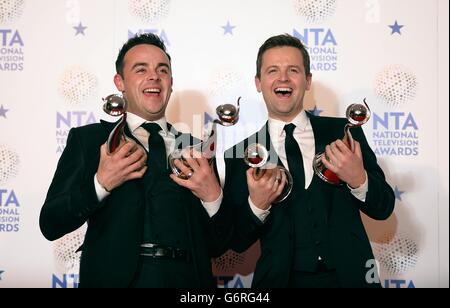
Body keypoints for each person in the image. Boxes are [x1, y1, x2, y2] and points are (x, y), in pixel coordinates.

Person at [39, 33, 226, 288]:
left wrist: (213, 197)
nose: (154, 76)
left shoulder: (195, 147)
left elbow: (217, 245)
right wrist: (100, 184)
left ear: (170, 83)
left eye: (163, 70)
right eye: (141, 69)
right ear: (120, 82)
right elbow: (50, 223)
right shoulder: (90, 140)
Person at [221, 34, 395, 288]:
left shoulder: (345, 133)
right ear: (258, 83)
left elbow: (384, 208)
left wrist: (359, 179)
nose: (283, 78)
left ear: (308, 80)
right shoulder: (240, 154)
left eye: (293, 70)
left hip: (351, 279)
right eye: (272, 71)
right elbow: (235, 240)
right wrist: (257, 205)